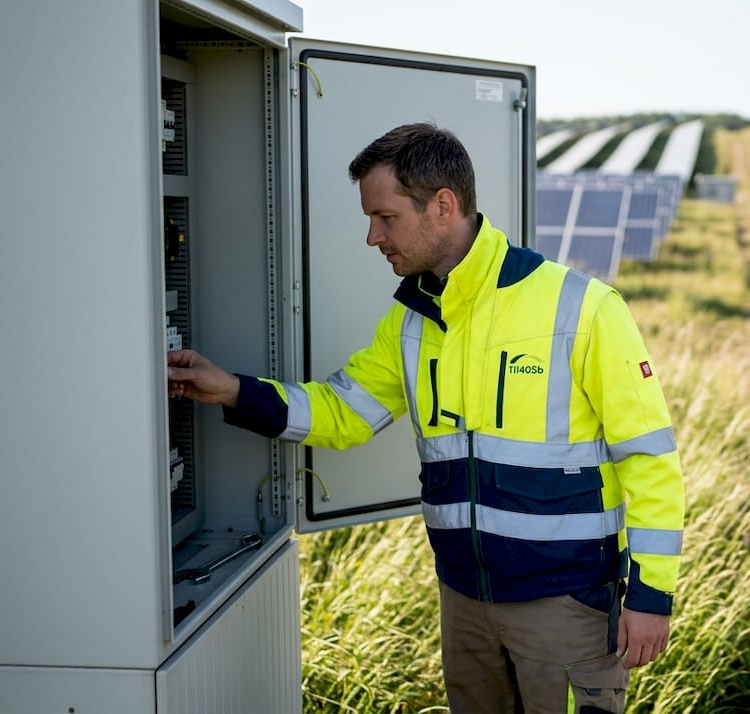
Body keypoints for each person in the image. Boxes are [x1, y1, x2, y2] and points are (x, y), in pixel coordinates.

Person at [167, 122, 685, 714]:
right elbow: (343, 413)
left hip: (565, 604)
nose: (371, 236)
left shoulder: (584, 307)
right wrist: (230, 390)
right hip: (463, 600)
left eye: (385, 218)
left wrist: (650, 596)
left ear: (443, 206)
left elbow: (648, 459)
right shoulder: (412, 320)